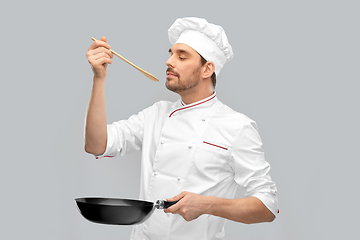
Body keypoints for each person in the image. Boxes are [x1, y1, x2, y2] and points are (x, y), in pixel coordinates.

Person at [84, 17, 279, 240]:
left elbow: (268, 206)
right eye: (171, 53)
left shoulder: (237, 126)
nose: (169, 61)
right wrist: (99, 79)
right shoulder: (156, 114)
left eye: (181, 56)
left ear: (207, 69)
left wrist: (207, 204)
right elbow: (96, 144)